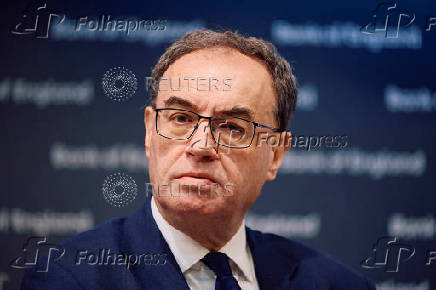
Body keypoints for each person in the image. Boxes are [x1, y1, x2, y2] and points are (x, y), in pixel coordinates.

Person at [22, 29, 375, 290]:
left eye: (233, 127)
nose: (201, 145)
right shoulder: (70, 278)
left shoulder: (337, 284)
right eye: (180, 119)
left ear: (276, 155)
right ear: (149, 131)